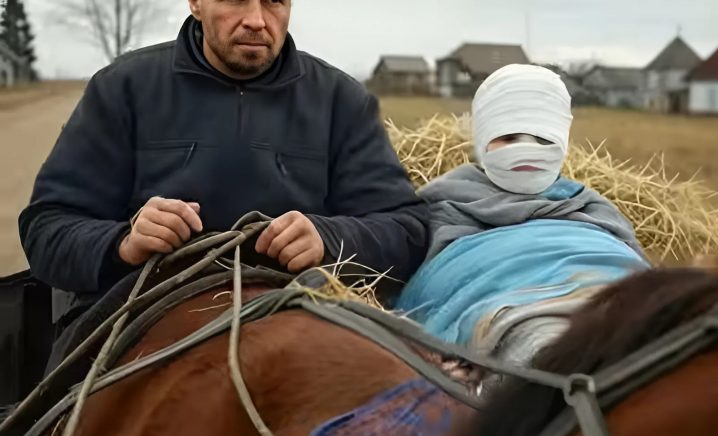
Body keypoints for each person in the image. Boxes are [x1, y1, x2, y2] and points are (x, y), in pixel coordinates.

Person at [18, 0, 429, 332]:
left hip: (299, 319)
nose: (256, 20)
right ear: (195, 4)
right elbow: (46, 229)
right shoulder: (122, 88)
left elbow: (405, 229)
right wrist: (122, 243)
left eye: (274, 2)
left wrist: (328, 239)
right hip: (137, 323)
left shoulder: (341, 101)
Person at [394, 64, 651, 362]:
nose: (527, 150)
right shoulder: (437, 205)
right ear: (483, 138)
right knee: (543, 354)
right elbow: (421, 282)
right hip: (520, 325)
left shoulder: (592, 206)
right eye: (510, 137)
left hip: (618, 307)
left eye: (543, 139)